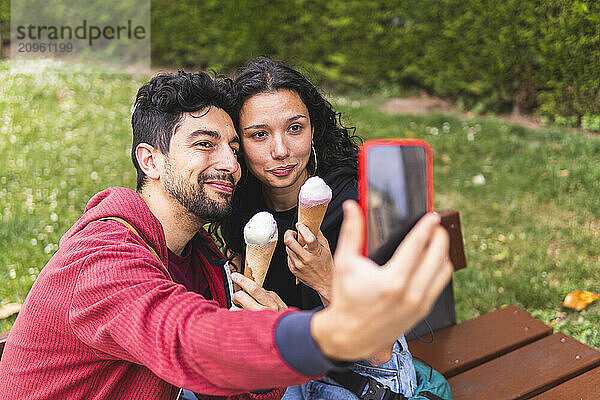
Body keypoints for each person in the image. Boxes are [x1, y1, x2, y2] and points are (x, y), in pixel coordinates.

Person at [0, 70, 453, 400]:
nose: (230, 163)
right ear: (150, 160)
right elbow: (187, 338)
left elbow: (237, 382)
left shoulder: (202, 257)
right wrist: (323, 333)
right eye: (204, 143)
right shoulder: (102, 257)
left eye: (233, 147)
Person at [216, 58, 450, 399]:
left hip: (364, 376)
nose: (280, 151)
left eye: (295, 128)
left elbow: (381, 349)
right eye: (259, 135)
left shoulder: (352, 207)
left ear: (314, 130)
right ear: (238, 143)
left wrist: (326, 279)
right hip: (285, 366)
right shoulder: (242, 205)